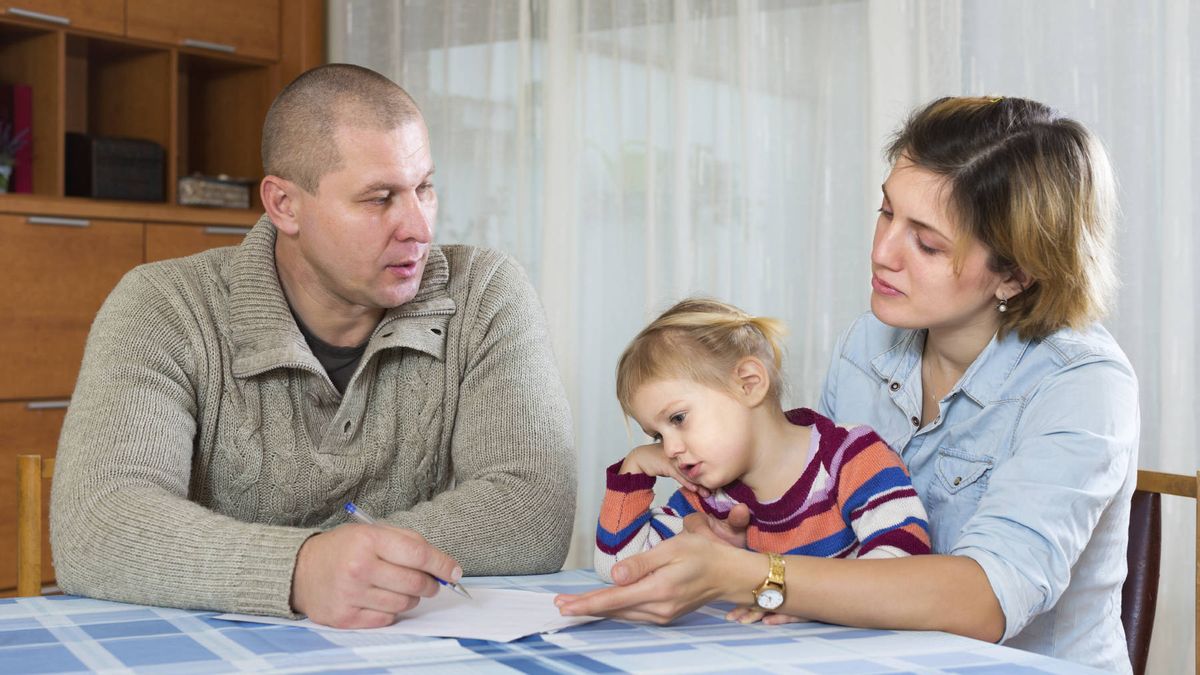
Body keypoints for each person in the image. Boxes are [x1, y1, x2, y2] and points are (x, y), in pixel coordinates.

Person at [557, 96, 1138, 673]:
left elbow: (986, 601)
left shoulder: (1082, 383)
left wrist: (756, 576)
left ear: (1015, 272)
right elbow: (821, 524)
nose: (882, 253)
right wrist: (729, 540)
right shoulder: (869, 343)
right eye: (887, 214)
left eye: (928, 243)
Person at [50, 63, 577, 629]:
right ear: (284, 205)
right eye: (379, 199)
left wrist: (349, 561)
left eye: (424, 188)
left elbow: (532, 509)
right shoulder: (163, 306)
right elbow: (97, 523)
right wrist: (300, 570)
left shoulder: (486, 293)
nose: (419, 228)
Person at [595, 298, 931, 624]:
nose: (669, 450)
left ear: (748, 384)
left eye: (678, 419)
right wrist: (635, 468)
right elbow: (620, 567)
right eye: (657, 436)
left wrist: (807, 599)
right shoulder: (709, 495)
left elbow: (903, 563)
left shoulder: (851, 456)